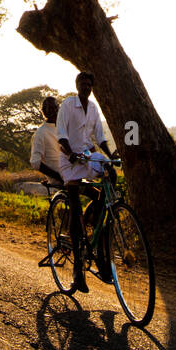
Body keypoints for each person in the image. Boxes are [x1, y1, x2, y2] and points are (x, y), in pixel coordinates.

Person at [56, 72, 117, 294]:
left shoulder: (93, 108)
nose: (87, 87)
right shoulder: (67, 105)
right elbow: (61, 135)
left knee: (111, 175)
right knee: (74, 201)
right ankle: (77, 273)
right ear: (77, 85)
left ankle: (96, 227)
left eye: (90, 84)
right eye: (84, 83)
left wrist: (110, 156)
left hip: (88, 156)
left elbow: (99, 138)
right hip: (70, 160)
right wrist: (70, 153)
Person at [30, 96, 63, 186]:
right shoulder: (41, 133)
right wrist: (58, 176)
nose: (54, 111)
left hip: (71, 171)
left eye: (56, 107)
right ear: (44, 111)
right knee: (93, 193)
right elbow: (35, 162)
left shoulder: (62, 127)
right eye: (50, 108)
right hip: (61, 176)